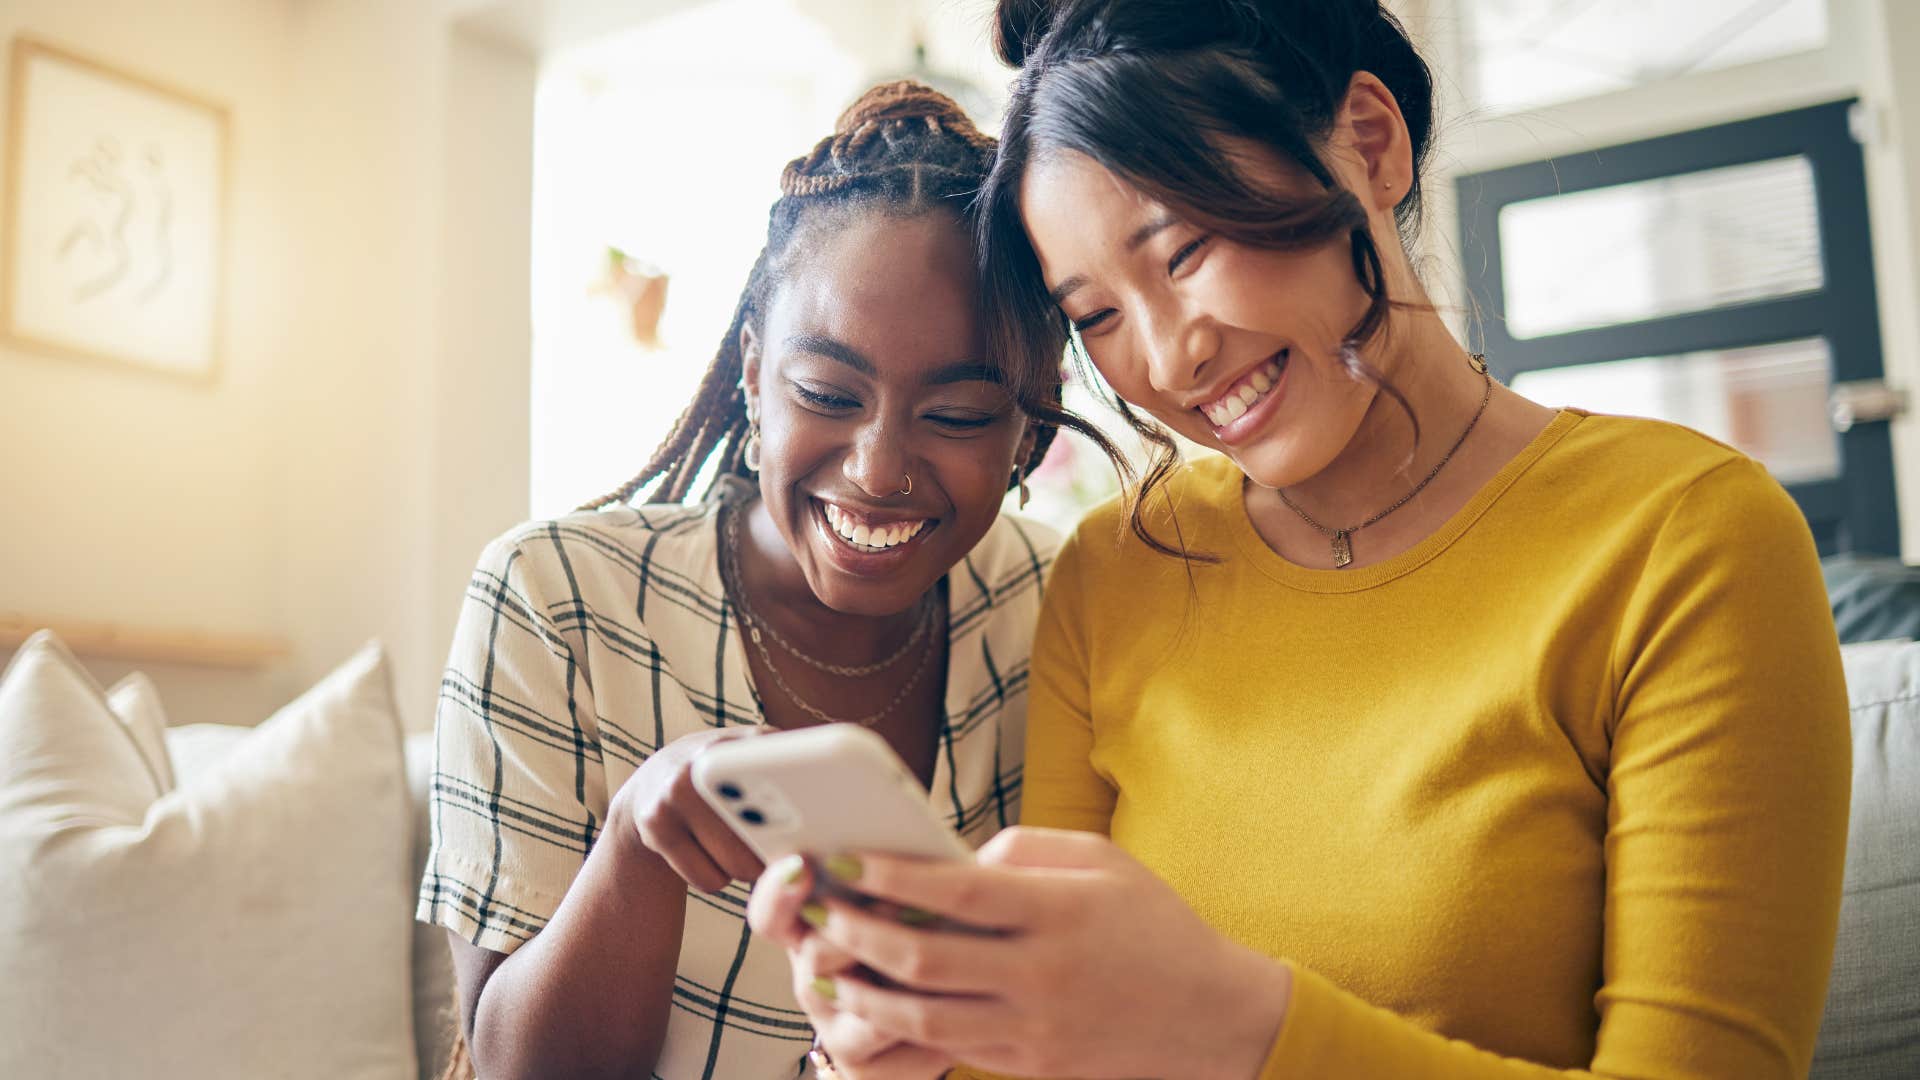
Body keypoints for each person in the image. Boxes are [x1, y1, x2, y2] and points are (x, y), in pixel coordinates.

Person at [749, 3, 1853, 1078]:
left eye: (1183, 251)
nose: (1170, 362)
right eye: (1097, 315)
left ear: (1369, 145)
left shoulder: (1683, 539)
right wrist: (916, 1051)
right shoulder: (1119, 567)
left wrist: (1233, 1023)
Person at [418, 81, 1116, 1079]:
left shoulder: (1058, 607)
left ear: (1031, 432)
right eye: (828, 393)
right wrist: (637, 843)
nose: (879, 471)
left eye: (958, 415)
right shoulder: (554, 597)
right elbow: (512, 1067)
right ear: (751, 373)